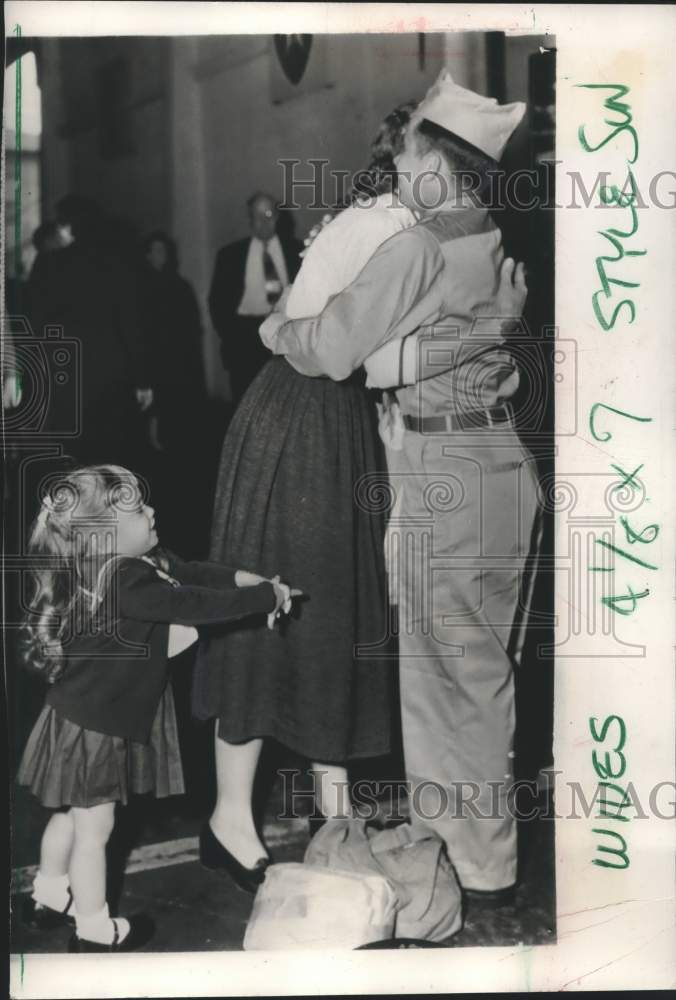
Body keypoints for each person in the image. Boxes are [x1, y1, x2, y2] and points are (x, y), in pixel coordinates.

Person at [192, 98, 525, 891]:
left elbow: (349, 355)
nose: (396, 170)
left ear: (439, 166)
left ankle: (459, 862)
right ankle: (444, 846)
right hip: (430, 450)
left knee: (430, 662)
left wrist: (276, 329)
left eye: (407, 157)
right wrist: (494, 330)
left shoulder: (418, 240)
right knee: (436, 662)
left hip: (415, 449)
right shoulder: (483, 233)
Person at [16, 464, 295, 951]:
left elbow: (187, 573)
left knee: (68, 816)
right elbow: (192, 605)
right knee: (95, 832)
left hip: (74, 719)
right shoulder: (126, 582)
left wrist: (244, 579)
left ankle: (46, 896)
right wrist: (262, 597)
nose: (152, 511)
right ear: (109, 534)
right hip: (97, 728)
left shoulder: (115, 564)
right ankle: (95, 931)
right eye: (139, 509)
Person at [26, 195, 153, 467]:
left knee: (71, 458)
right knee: (109, 456)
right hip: (111, 376)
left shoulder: (48, 263)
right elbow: (131, 324)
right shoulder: (119, 263)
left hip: (65, 375)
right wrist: (142, 380)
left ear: (69, 226)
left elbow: (36, 323)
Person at [207, 192, 303, 406]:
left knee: (285, 406)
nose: (263, 221)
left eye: (268, 214)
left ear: (277, 217)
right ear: (249, 219)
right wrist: (232, 337)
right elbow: (217, 303)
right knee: (247, 408)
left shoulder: (297, 251)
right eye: (257, 215)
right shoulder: (230, 255)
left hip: (285, 336)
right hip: (244, 341)